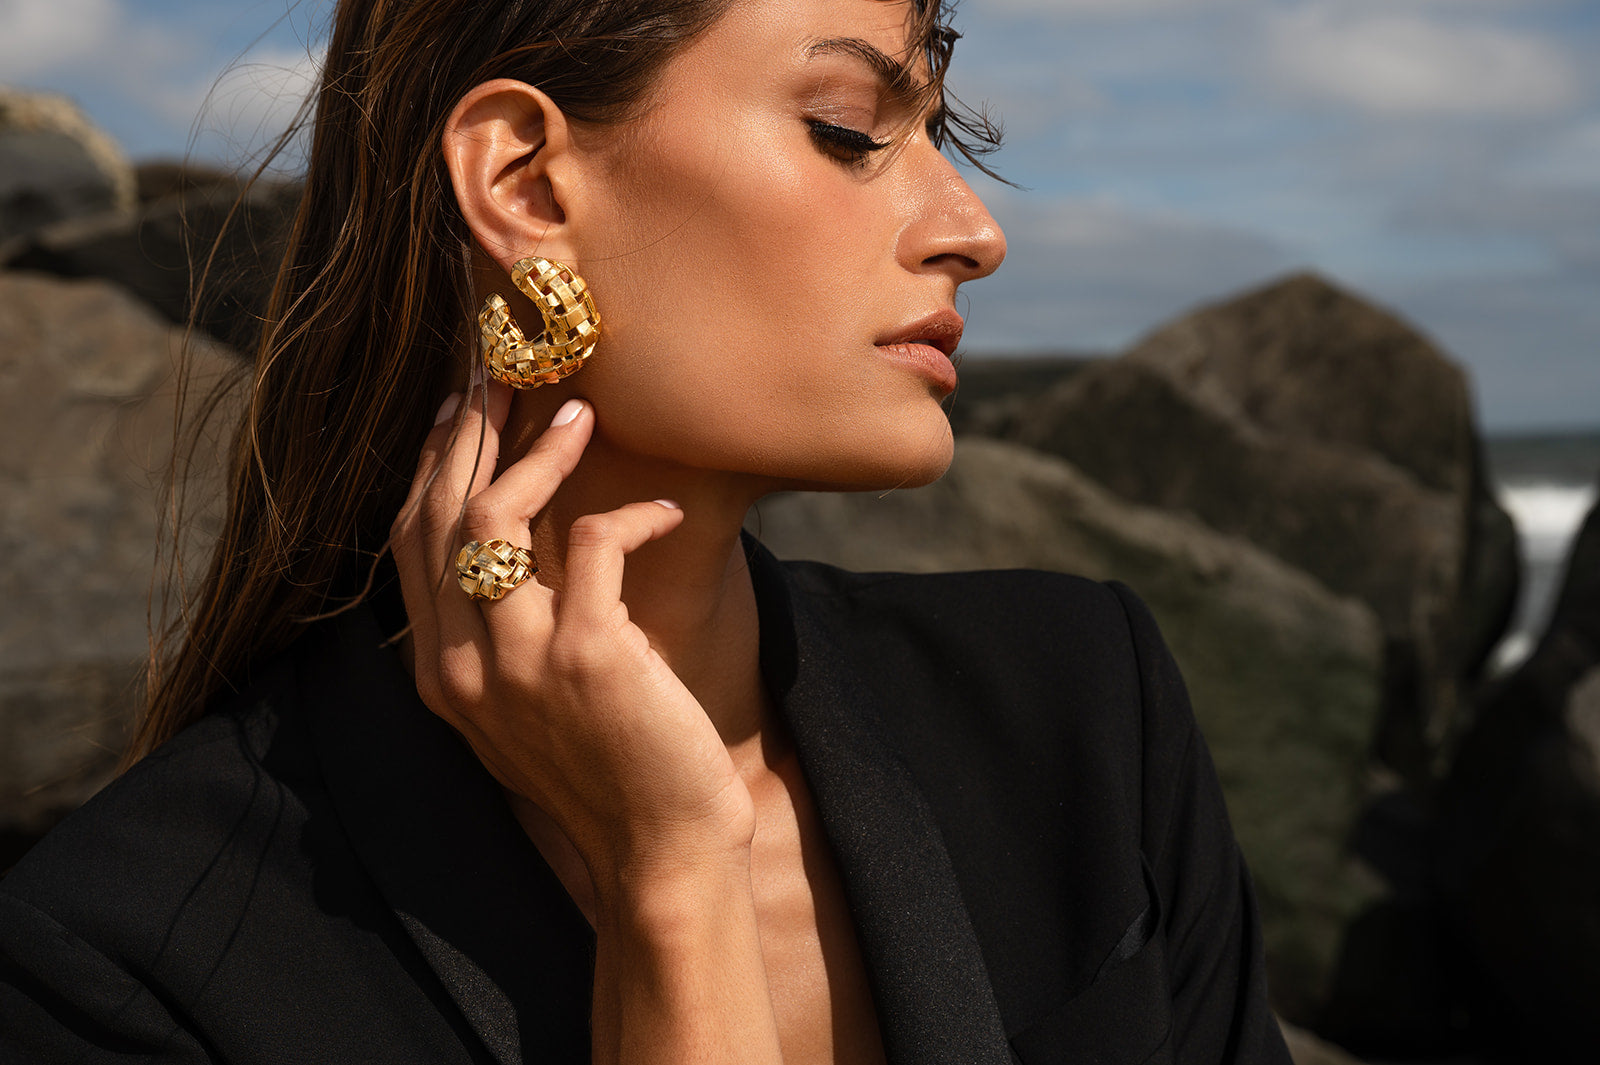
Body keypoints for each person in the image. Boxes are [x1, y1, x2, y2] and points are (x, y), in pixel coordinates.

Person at [0, 0, 1292, 1061]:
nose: (975, 232)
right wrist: (673, 883)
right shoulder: (135, 957)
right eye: (852, 131)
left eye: (949, 138)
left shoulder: (1080, 710)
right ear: (524, 181)